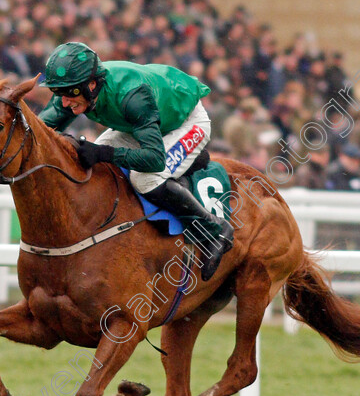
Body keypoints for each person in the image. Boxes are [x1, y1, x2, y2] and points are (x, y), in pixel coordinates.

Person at [39, 42, 233, 280]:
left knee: (145, 178)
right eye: (59, 94)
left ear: (91, 85)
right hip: (143, 123)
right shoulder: (76, 89)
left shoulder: (132, 96)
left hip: (186, 122)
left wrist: (103, 153)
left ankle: (214, 228)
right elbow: (39, 129)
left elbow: (154, 159)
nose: (65, 102)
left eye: (70, 94)